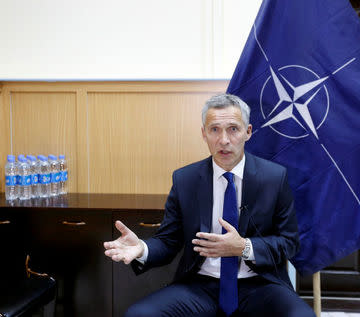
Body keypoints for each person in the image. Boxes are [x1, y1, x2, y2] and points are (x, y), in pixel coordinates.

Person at [103, 94, 315, 317]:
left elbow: (289, 243)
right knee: (139, 315)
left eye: (233, 129)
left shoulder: (274, 177)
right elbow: (168, 241)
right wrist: (142, 249)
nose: (224, 140)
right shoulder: (186, 179)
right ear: (204, 134)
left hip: (261, 284)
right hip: (201, 285)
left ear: (248, 132)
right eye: (214, 129)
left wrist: (243, 247)